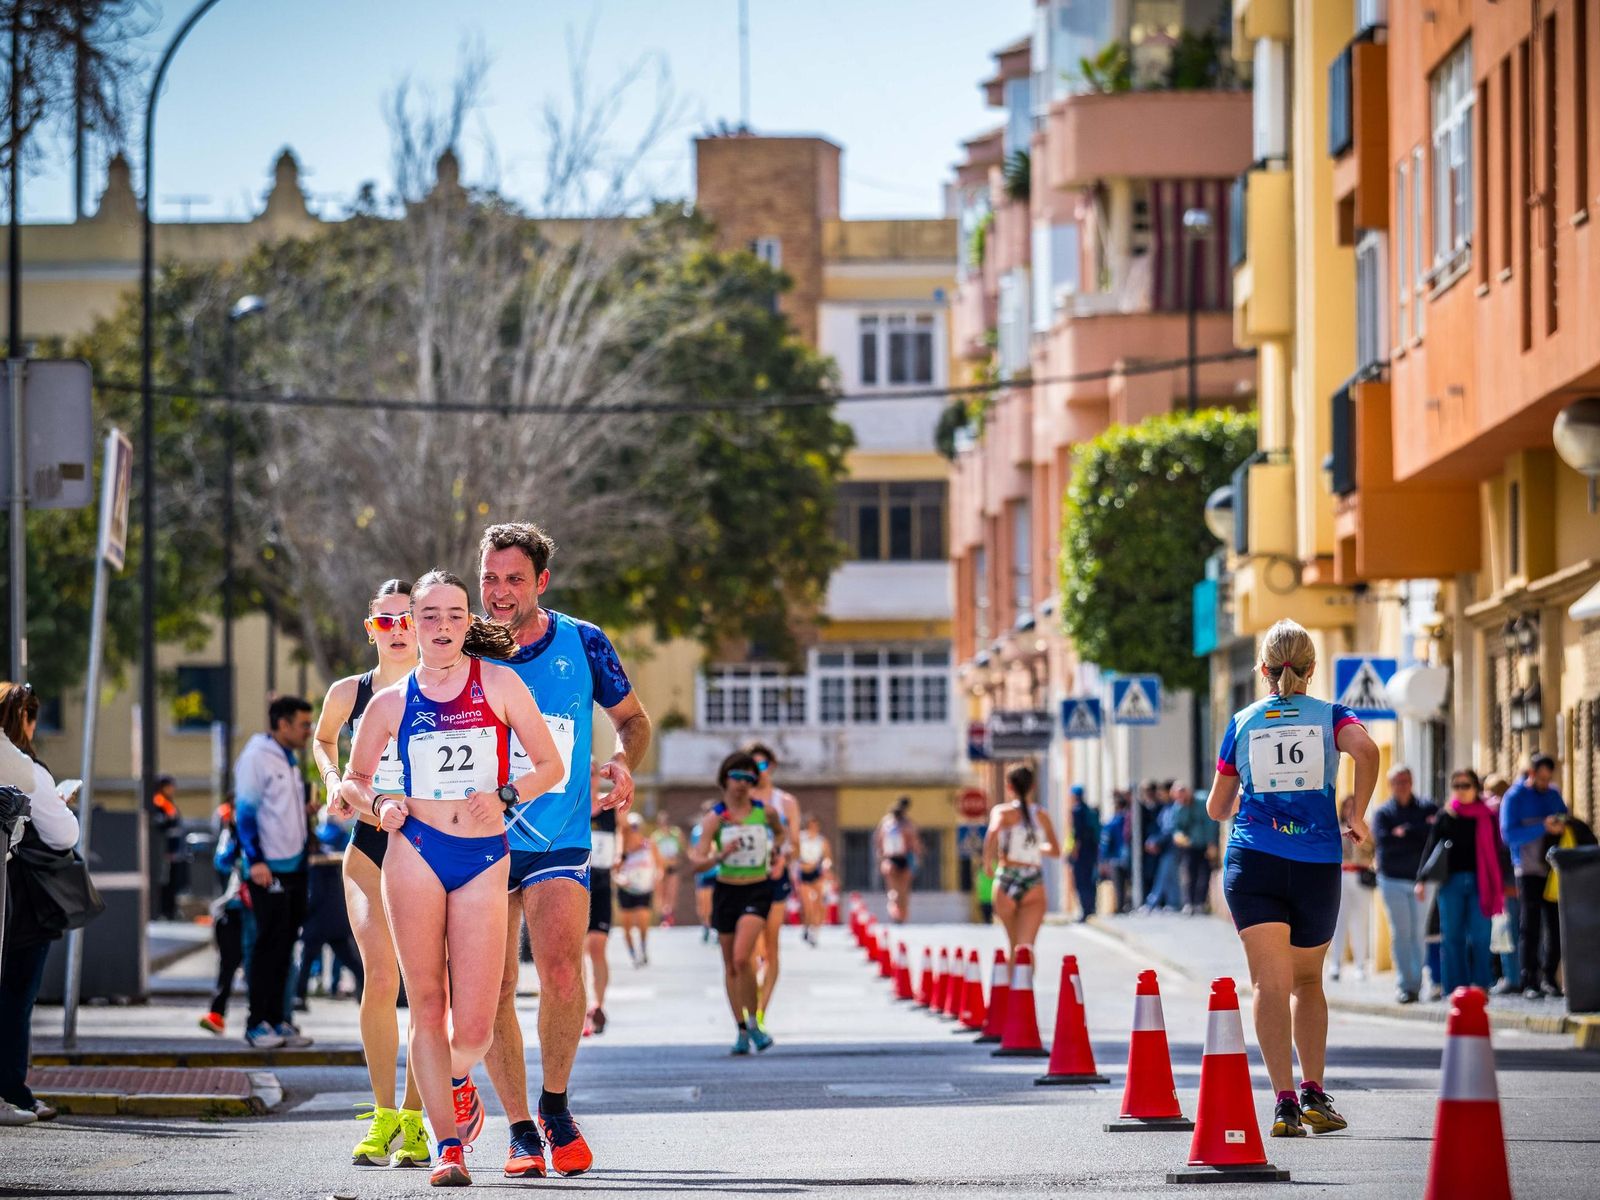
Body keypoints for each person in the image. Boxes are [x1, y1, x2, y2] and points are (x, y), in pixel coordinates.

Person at [336, 569, 563, 1188]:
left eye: (454, 614)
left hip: (484, 856)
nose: (441, 626)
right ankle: (446, 1146)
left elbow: (552, 764)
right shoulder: (388, 703)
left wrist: (509, 793)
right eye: (428, 616)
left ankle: (459, 1080)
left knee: (476, 1024)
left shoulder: (500, 683)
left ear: (469, 622)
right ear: (411, 624)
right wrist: (379, 804)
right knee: (426, 1005)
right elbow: (352, 781)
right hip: (415, 851)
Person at [476, 524, 650, 1180]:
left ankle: (555, 1107)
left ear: (541, 582)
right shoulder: (462, 644)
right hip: (480, 838)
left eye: (514, 579)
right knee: (494, 986)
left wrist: (620, 761)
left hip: (559, 835)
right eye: (490, 578)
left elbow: (634, 720)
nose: (499, 592)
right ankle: (519, 1128)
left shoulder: (583, 641)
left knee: (563, 974)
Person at [1207, 619, 1379, 1139]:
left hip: (1254, 860)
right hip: (1314, 863)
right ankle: (1313, 1093)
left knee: (1267, 984)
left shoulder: (1242, 721)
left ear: (1262, 669)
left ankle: (1282, 1103)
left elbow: (1217, 807)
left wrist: (1250, 805)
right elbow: (1367, 752)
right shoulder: (1331, 716)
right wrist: (1357, 814)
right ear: (1311, 669)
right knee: (1307, 981)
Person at [310, 578, 427, 1167]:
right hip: (369, 845)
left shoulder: (448, 686)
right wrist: (332, 779)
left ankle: (417, 1119)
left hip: (433, 847)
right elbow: (322, 738)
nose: (400, 630)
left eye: (409, 618)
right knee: (381, 980)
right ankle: (382, 1117)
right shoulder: (349, 693)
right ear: (371, 628)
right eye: (388, 621)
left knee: (429, 988)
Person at [0, 684, 80, 1125]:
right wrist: (60, 804)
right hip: (24, 899)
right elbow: (64, 835)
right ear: (25, 720)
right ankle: (12, 1090)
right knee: (17, 997)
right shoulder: (27, 769)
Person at [687, 751, 790, 1055]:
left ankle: (756, 1024)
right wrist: (720, 855)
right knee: (731, 965)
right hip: (726, 891)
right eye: (737, 776)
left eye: (749, 778)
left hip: (757, 890)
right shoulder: (715, 818)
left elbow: (782, 835)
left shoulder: (765, 812)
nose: (742, 783)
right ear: (724, 779)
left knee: (744, 957)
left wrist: (775, 851)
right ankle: (742, 1029)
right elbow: (697, 861)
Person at [234, 694, 316, 1050]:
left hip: (295, 865)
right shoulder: (256, 758)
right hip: (269, 870)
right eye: (303, 724)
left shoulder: (288, 758)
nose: (309, 732)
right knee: (267, 947)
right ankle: (257, 1023)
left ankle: (279, 1020)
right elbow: (245, 813)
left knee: (285, 947)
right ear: (282, 724)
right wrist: (255, 860)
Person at [1416, 769, 1506, 994]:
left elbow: (1498, 849)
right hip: (1451, 883)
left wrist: (1503, 881)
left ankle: (1481, 987)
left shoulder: (1487, 816)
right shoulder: (1445, 815)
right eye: (1456, 786)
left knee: (1480, 935)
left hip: (1480, 883)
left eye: (1465, 785)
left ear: (1476, 788)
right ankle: (1456, 989)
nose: (1461, 790)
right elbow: (1430, 848)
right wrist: (1421, 879)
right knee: (1452, 936)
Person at [1500, 753, 1568, 999]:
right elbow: (1509, 835)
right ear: (1531, 774)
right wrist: (1543, 826)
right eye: (1541, 778)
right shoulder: (1514, 797)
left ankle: (1550, 977)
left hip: (1553, 871)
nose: (1544, 783)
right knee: (1530, 925)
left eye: (1548, 779)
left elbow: (1565, 817)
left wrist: (1560, 823)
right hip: (1527, 869)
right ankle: (1529, 980)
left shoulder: (1553, 794)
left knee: (1555, 924)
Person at [1370, 765, 1437, 1003]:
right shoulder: (1383, 813)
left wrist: (1405, 832)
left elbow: (1433, 835)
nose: (1402, 785)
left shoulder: (1427, 807)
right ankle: (1404, 984)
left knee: (1418, 934)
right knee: (1401, 934)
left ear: (1412, 781)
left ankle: (1417, 984)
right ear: (1390, 785)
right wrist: (1415, 833)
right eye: (1397, 781)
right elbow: (1383, 841)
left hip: (1422, 881)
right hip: (1392, 881)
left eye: (1406, 780)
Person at [983, 764, 1060, 966]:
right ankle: (1026, 994)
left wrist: (987, 863)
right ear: (1033, 786)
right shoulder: (1041, 815)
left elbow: (992, 833)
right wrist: (1034, 849)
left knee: (1012, 945)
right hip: (1033, 878)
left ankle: (1011, 992)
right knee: (1026, 948)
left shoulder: (1002, 812)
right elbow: (1055, 850)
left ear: (1009, 787)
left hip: (1006, 876)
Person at [745, 741, 798, 1030]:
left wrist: (783, 858)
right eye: (753, 767)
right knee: (750, 949)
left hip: (776, 878)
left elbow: (796, 846)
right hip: (746, 880)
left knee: (771, 945)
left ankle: (761, 1013)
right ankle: (751, 1006)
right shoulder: (740, 800)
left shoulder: (785, 803)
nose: (758, 772)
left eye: (763, 765)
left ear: (772, 767)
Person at [199, 800, 252, 1037]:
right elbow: (221, 862)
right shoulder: (230, 836)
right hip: (234, 908)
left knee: (257, 966)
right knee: (228, 964)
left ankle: (261, 1017)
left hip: (256, 910)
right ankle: (216, 1014)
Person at [585, 766, 619, 1036]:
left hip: (602, 883)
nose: (590, 776)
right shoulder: (570, 806)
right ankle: (582, 1005)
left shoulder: (611, 808)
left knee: (597, 945)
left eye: (594, 772)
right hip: (575, 882)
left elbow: (624, 841)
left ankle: (598, 1004)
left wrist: (621, 858)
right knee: (577, 949)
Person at [1328, 795, 1376, 982]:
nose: (1349, 810)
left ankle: (1359, 965)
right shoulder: (1334, 828)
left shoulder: (1366, 829)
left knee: (1360, 922)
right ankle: (1335, 964)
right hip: (1341, 876)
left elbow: (1373, 849)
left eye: (1353, 806)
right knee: (1338, 923)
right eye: (1347, 806)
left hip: (1361, 876)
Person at [1482, 774, 1520, 995]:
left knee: (1506, 931)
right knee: (1517, 930)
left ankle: (1511, 976)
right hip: (1519, 877)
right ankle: (1517, 975)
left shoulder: (1493, 811)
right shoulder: (1513, 808)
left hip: (1504, 881)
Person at [615, 813, 660, 967]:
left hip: (644, 889)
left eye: (635, 827)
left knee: (642, 921)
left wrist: (657, 878)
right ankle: (633, 955)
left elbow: (660, 866)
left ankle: (643, 948)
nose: (632, 830)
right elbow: (614, 871)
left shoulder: (649, 845)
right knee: (627, 927)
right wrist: (620, 880)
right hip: (626, 890)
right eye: (629, 828)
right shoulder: (621, 850)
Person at [874, 796, 922, 923]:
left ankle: (898, 915)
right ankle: (900, 915)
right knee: (902, 891)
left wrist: (880, 857)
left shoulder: (886, 824)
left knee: (895, 890)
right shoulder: (906, 824)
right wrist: (917, 857)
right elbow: (914, 843)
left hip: (893, 858)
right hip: (902, 858)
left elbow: (878, 842)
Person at [150, 774, 186, 920]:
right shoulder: (158, 803)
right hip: (164, 851)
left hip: (173, 851)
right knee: (164, 883)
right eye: (170, 786)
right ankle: (164, 911)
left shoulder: (167, 803)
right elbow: (159, 825)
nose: (173, 789)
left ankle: (170, 910)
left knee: (172, 882)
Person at [796, 815, 832, 945]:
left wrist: (826, 866)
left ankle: (815, 932)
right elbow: (795, 855)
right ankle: (807, 925)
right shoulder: (801, 838)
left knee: (818, 904)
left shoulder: (821, 840)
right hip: (804, 872)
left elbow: (827, 857)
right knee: (807, 905)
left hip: (816, 872)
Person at [1066, 785, 1100, 922]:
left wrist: (1074, 851)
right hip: (1091, 851)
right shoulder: (1089, 810)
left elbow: (1077, 834)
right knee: (1090, 880)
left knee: (1081, 881)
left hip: (1081, 853)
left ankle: (1085, 910)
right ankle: (1091, 908)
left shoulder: (1077, 811)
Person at [690, 799, 718, 942]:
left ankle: (716, 927)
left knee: (717, 901)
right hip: (704, 872)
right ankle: (706, 925)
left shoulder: (721, 829)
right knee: (703, 902)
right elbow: (695, 851)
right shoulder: (697, 831)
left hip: (718, 871)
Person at [1100, 792, 1131, 913]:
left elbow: (1105, 842)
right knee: (1129, 883)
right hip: (1128, 857)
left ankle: (1120, 906)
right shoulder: (1129, 820)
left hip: (1115, 858)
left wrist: (1103, 859)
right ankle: (1128, 904)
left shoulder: (1112, 823)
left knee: (1118, 884)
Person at [651, 821, 683, 926]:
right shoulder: (656, 836)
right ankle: (664, 917)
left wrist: (676, 860)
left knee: (672, 892)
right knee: (661, 894)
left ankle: (669, 916)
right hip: (661, 868)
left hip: (672, 867)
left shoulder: (676, 834)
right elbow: (652, 853)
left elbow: (681, 850)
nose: (664, 826)